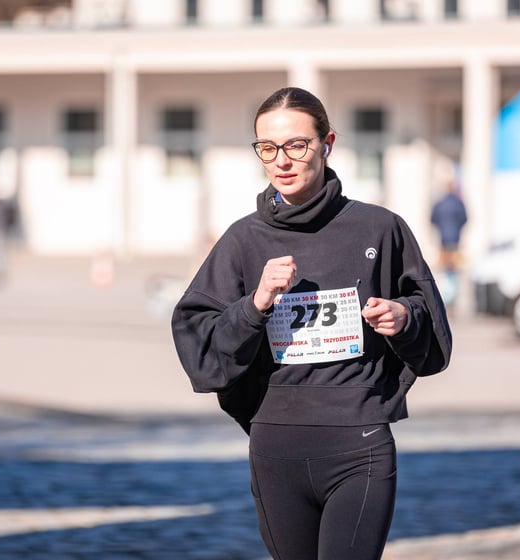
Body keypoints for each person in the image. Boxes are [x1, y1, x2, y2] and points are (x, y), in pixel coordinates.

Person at [171, 87, 452, 560]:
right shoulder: (243, 239)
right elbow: (202, 353)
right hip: (274, 445)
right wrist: (254, 305)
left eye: (297, 145)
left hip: (360, 443)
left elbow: (435, 343)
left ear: (327, 144)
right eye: (267, 148)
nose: (281, 160)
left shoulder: (380, 229)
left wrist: (406, 318)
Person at [430, 180, 468, 305]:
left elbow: (432, 219)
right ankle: (451, 298)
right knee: (453, 270)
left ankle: (444, 298)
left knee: (444, 269)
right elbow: (465, 219)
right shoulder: (458, 203)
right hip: (455, 240)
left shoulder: (439, 203)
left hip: (443, 240)